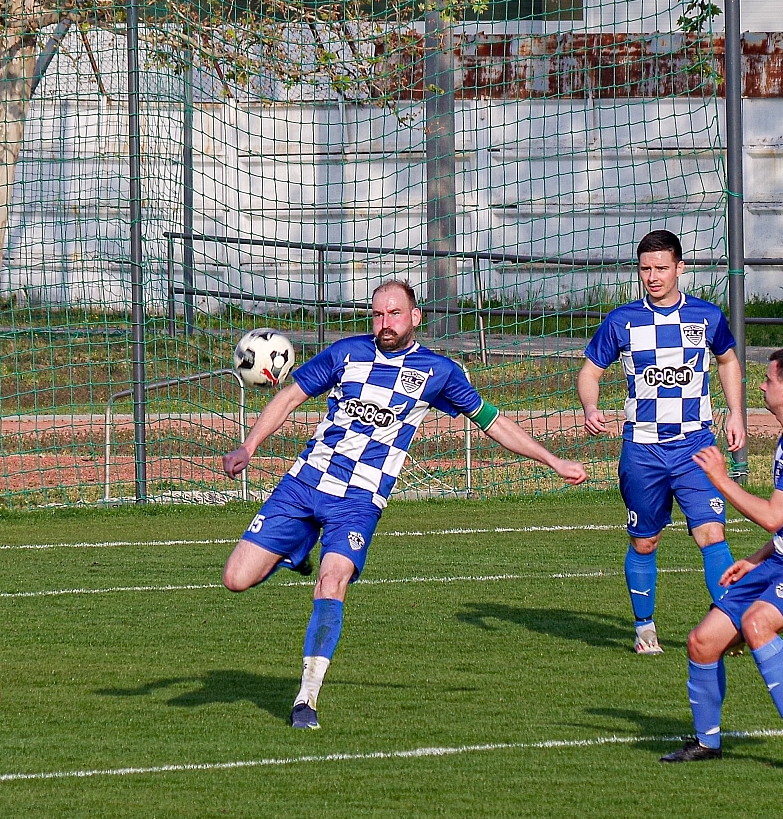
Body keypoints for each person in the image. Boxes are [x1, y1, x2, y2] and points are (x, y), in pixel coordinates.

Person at [222, 280, 588, 729]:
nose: (385, 323)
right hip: (305, 483)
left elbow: (493, 422)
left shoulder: (438, 371)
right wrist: (249, 447)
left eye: (394, 313)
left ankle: (306, 699)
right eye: (378, 314)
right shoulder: (346, 354)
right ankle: (294, 552)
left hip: (359, 501)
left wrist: (553, 461)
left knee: (332, 581)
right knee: (235, 579)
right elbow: (289, 396)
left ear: (415, 317)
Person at [660, 347, 783, 772]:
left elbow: (772, 516)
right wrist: (756, 558)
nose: (761, 386)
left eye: (767, 380)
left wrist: (719, 479)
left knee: (757, 622)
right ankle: (707, 743)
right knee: (702, 641)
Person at [577, 229, 747, 654]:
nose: (652, 277)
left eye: (661, 268)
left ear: (679, 268)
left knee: (712, 533)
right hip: (643, 449)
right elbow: (590, 371)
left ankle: (728, 627)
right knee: (645, 541)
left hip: (696, 446)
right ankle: (644, 628)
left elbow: (728, 361)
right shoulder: (622, 321)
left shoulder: (706, 316)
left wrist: (736, 413)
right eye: (645, 269)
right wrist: (591, 408)